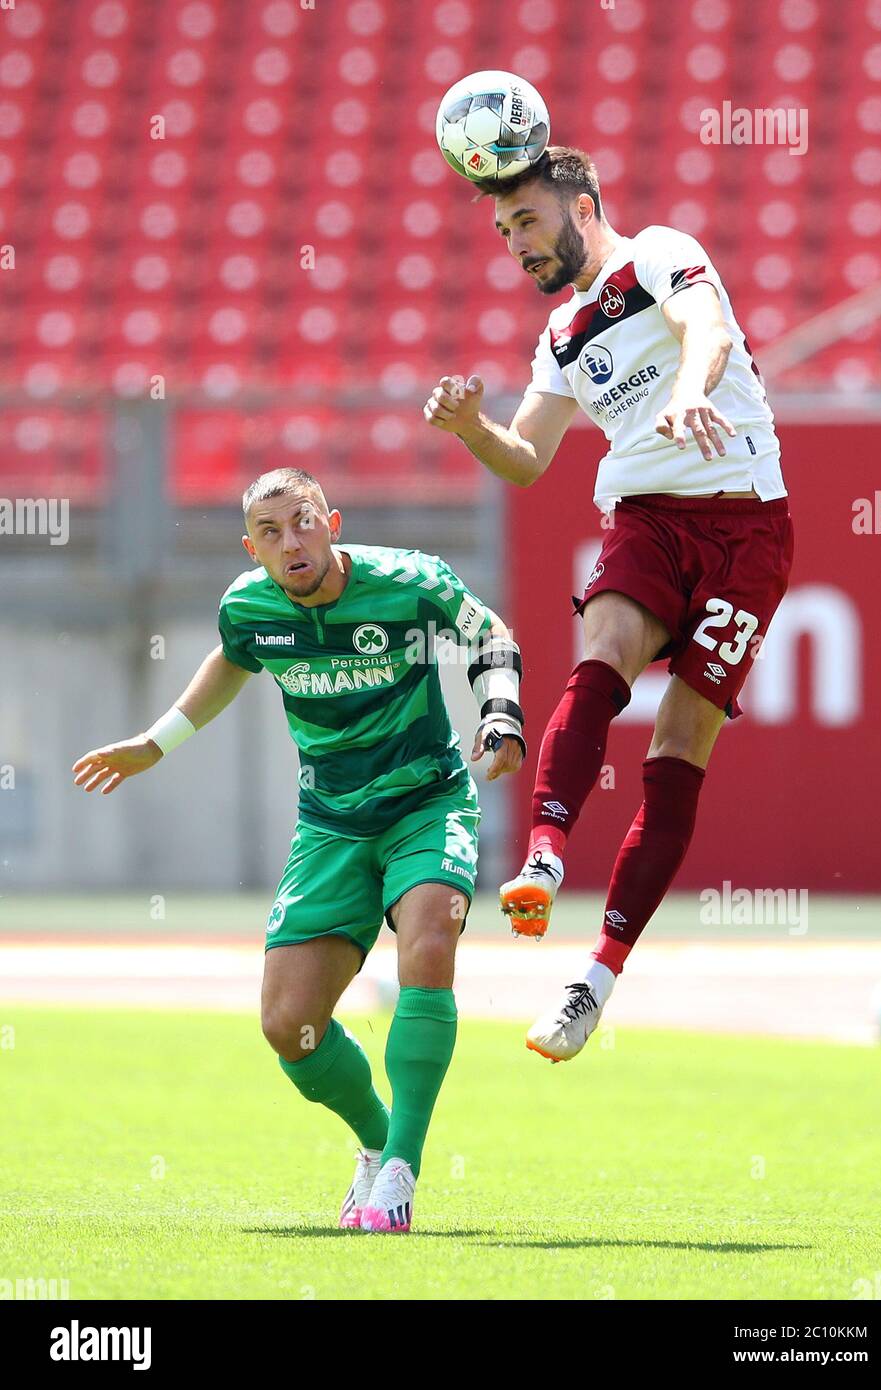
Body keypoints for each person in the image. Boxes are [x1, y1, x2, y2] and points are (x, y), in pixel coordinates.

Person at [72, 468, 525, 1228]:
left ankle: (403, 1174)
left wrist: (501, 713)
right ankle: (379, 1146)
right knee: (290, 1026)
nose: (292, 543)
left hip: (426, 802)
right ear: (253, 549)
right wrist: (158, 741)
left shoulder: (411, 583)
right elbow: (232, 657)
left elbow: (490, 634)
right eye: (271, 534)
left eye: (303, 522)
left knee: (429, 939)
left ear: (332, 522)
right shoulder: (249, 609)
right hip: (330, 824)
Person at [424, 147, 793, 1062]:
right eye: (505, 231)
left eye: (528, 223)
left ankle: (597, 976)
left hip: (748, 529)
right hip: (644, 519)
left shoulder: (661, 252)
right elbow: (529, 457)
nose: (516, 243)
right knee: (602, 657)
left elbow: (704, 326)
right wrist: (474, 429)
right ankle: (545, 853)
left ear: (583, 208)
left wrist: (687, 393)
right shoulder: (559, 337)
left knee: (677, 747)